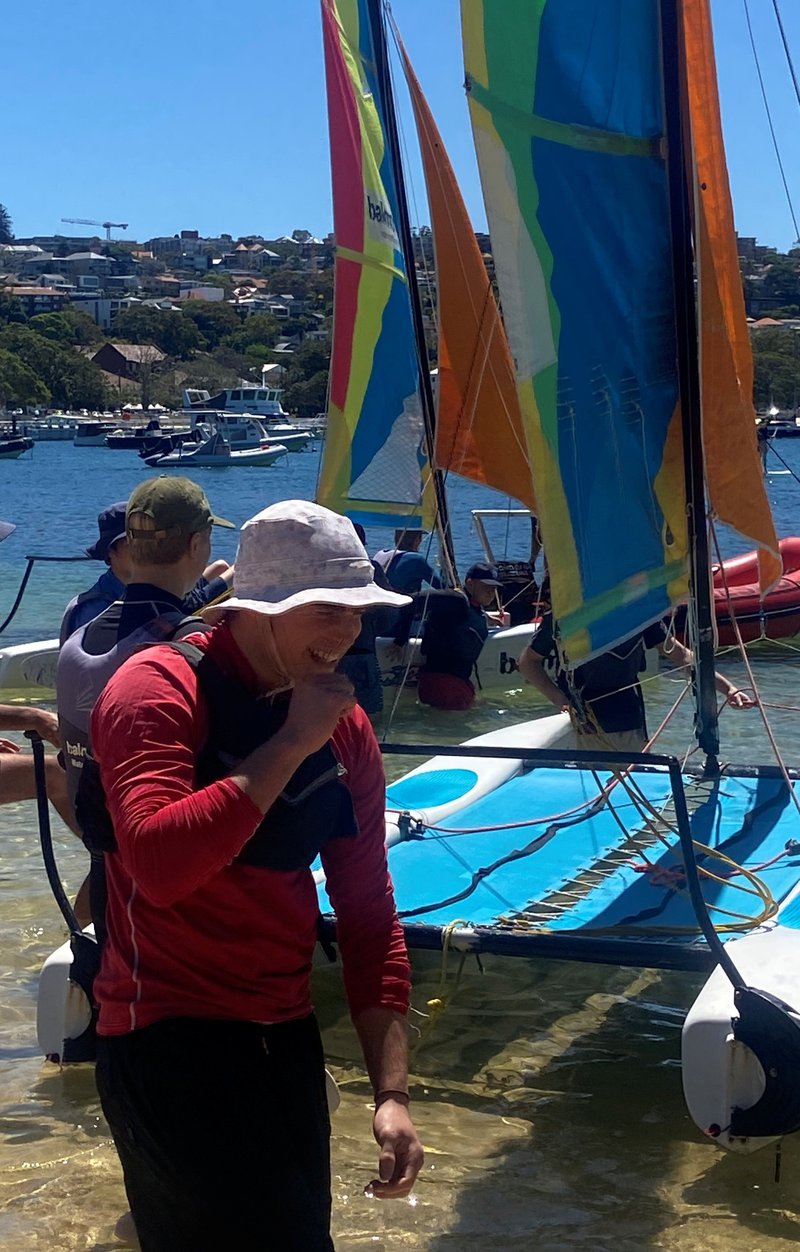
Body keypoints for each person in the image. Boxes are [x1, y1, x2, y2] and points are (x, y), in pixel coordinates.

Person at [83, 499, 423, 1250]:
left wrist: (392, 1093)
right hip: (166, 1034)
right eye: (325, 608)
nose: (347, 632)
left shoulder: (345, 727)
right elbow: (160, 866)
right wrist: (294, 741)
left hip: (283, 1034)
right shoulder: (155, 690)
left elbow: (369, 913)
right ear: (259, 607)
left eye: (358, 610)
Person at [518, 612, 754, 752]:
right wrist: (559, 698)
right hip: (582, 721)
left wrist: (728, 689)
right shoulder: (564, 615)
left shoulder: (637, 612)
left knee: (631, 793)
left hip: (629, 717)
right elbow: (528, 662)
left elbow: (681, 656)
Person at [60, 498, 234, 645]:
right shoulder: (96, 609)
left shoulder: (141, 591)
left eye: (147, 541)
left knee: (221, 568)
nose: (142, 548)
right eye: (131, 542)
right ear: (110, 552)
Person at [398, 561, 506, 711]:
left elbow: (466, 616)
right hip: (444, 683)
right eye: (486, 586)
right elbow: (410, 602)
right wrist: (400, 640)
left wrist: (486, 618)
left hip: (456, 682)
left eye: (494, 588)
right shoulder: (456, 599)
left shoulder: (473, 607)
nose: (491, 592)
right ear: (470, 583)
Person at [337, 522, 392, 715]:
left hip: (329, 656)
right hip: (362, 652)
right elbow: (387, 612)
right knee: (369, 715)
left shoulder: (328, 569)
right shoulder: (372, 569)